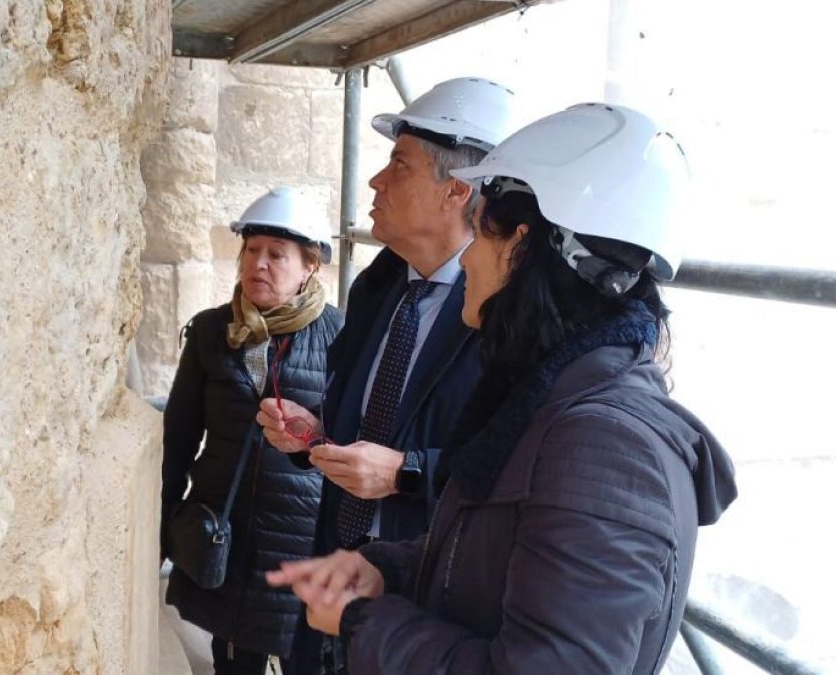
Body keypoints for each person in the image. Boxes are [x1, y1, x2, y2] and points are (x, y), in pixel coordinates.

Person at [266, 103, 739, 674]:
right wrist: (386, 570)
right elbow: (490, 556)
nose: (467, 261)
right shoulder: (549, 399)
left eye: (481, 232)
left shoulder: (605, 448)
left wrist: (364, 619)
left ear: (522, 245)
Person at [256, 77, 520, 674]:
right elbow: (359, 423)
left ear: (456, 190)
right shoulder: (378, 287)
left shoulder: (504, 319)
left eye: (398, 165)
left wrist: (408, 473)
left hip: (423, 607)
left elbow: (507, 466)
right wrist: (312, 435)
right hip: (335, 582)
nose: (375, 181)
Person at [161, 186, 344, 674]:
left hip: (300, 546)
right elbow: (178, 440)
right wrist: (165, 526)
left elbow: (352, 439)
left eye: (276, 255)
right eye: (251, 250)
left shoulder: (340, 337)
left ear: (309, 267)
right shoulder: (209, 332)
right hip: (226, 535)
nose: (258, 264)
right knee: (232, 662)